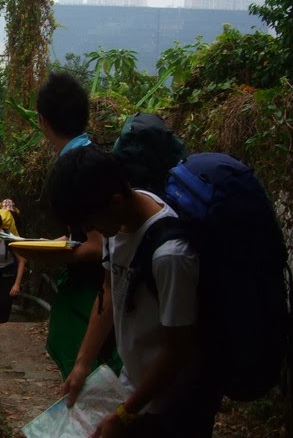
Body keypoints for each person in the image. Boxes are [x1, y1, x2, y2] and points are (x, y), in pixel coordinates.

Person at [50, 146, 220, 438]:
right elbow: (109, 290)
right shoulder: (117, 224)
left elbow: (178, 349)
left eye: (91, 224)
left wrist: (125, 414)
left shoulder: (170, 255)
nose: (91, 232)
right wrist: (82, 365)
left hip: (173, 406)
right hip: (134, 389)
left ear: (115, 201)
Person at [33, 71, 121, 376]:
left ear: (43, 121)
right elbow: (82, 234)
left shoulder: (76, 168)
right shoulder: (90, 154)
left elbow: (96, 246)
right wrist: (51, 244)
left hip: (92, 292)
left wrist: (51, 255)